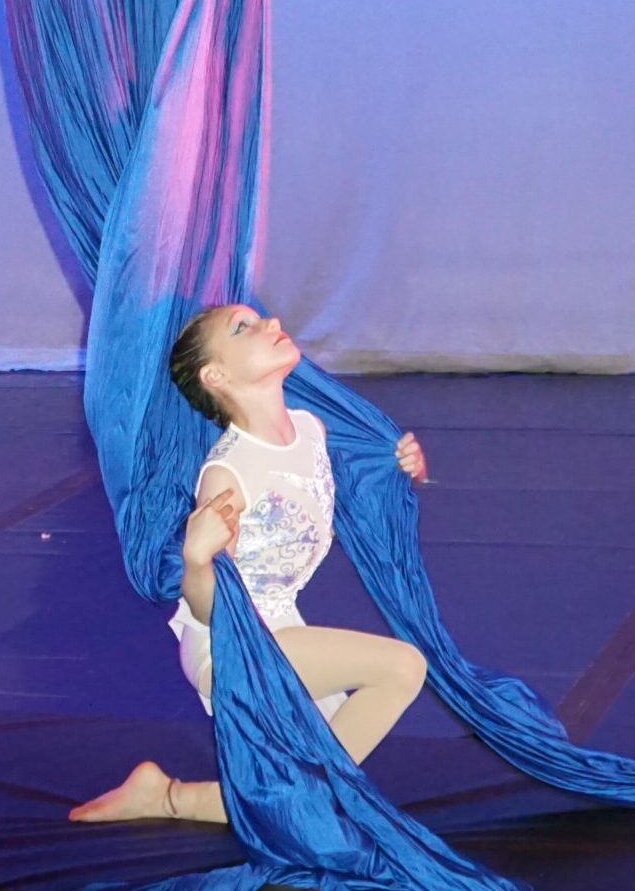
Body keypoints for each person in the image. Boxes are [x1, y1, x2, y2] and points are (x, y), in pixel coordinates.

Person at [68, 304, 428, 825]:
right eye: (245, 328)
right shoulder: (229, 474)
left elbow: (347, 502)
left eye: (261, 318)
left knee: (309, 797)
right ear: (216, 376)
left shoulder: (309, 430)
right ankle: (171, 797)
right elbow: (211, 607)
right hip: (231, 647)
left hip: (283, 627)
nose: (272, 325)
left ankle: (165, 795)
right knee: (401, 667)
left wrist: (399, 471)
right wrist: (195, 557)